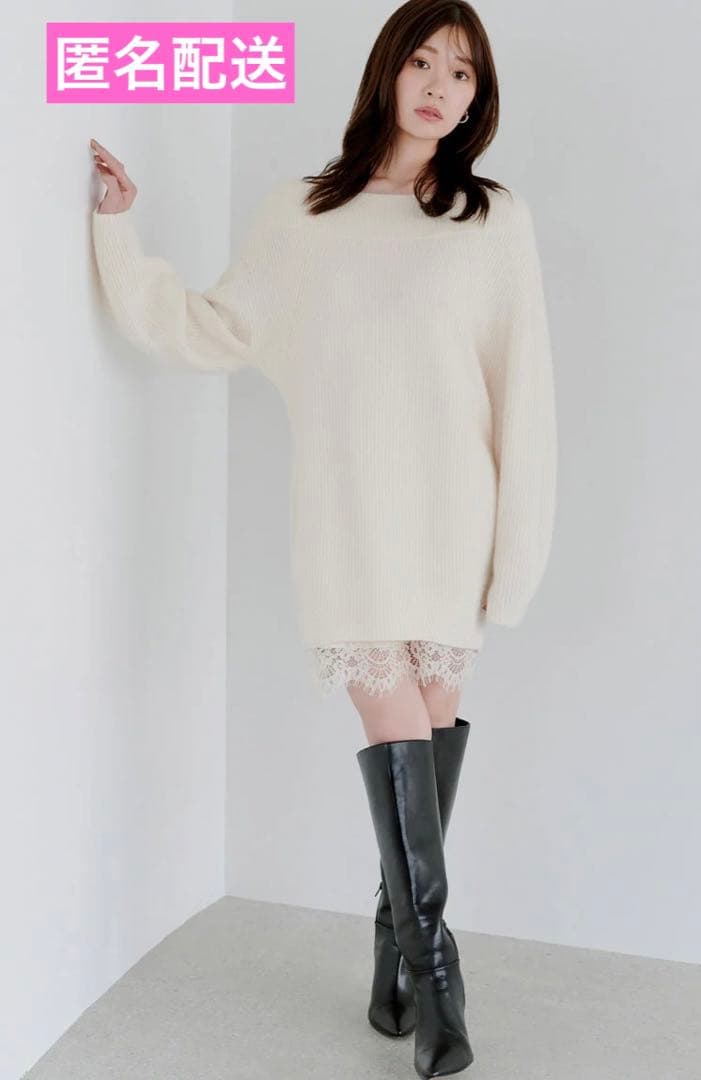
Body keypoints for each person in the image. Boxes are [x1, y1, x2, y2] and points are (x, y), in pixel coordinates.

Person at [89, 0, 557, 1074]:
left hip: (452, 518)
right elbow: (211, 326)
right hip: (346, 518)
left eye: (463, 74)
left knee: (428, 736)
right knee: (396, 727)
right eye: (424, 62)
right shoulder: (303, 214)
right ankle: (439, 986)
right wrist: (119, 230)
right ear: (388, 69)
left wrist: (517, 551)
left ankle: (395, 956)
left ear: (478, 99)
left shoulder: (492, 219)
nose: (440, 87)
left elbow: (524, 392)